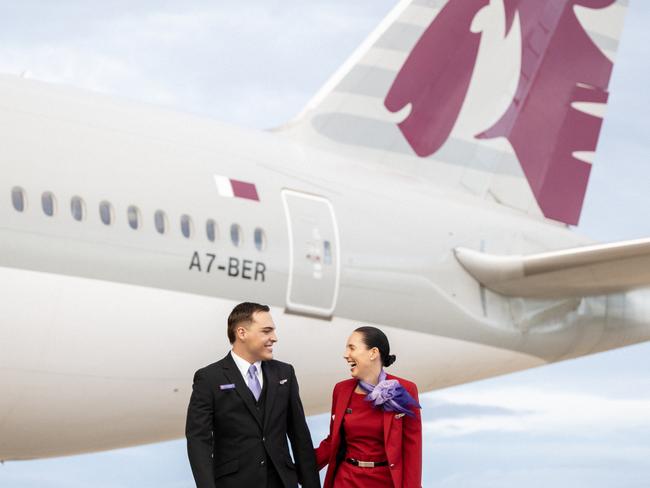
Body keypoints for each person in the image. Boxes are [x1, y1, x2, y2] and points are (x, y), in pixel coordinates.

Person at [186, 302, 320, 488]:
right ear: (242, 333)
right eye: (266, 331)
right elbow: (198, 441)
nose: (274, 338)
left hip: (282, 482)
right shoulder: (209, 378)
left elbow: (300, 437)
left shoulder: (285, 373)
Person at [316, 326, 422, 488]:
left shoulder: (404, 390)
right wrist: (295, 470)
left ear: (373, 353)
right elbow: (333, 442)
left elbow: (412, 449)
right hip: (345, 480)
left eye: (352, 348)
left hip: (385, 481)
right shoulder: (341, 390)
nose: (346, 355)